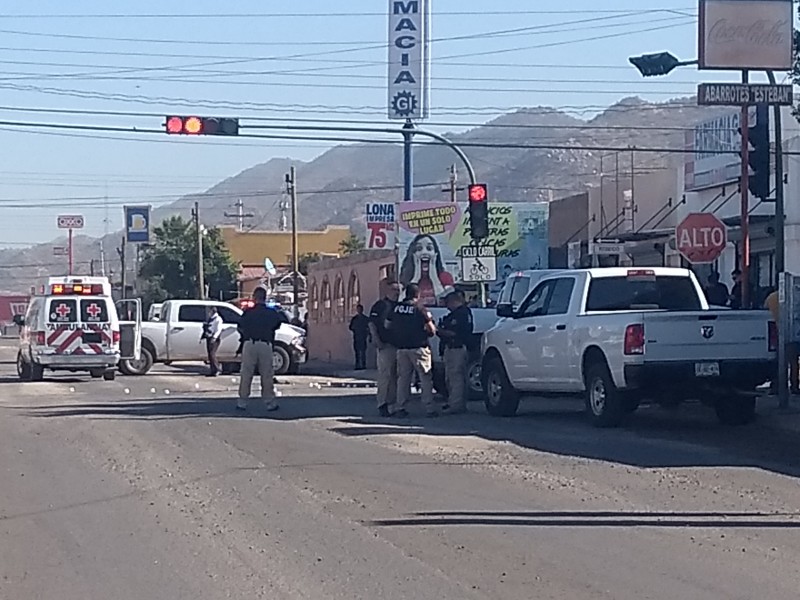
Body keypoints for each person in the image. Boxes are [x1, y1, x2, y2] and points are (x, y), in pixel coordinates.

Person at [386, 283, 438, 418]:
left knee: (403, 379)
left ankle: (400, 407)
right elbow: (431, 329)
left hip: (401, 348)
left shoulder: (396, 308)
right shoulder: (420, 309)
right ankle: (429, 408)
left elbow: (387, 325)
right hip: (419, 347)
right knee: (425, 378)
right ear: (417, 294)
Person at [236, 287, 283, 412]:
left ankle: (242, 402)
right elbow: (277, 325)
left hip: (249, 343)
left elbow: (239, 327)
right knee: (266, 374)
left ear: (254, 297)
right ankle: (269, 402)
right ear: (265, 297)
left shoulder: (248, 312)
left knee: (246, 373)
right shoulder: (271, 313)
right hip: (265, 344)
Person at [437, 290, 474, 414]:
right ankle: (452, 401)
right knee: (450, 378)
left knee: (456, 377)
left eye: (447, 302)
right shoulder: (453, 314)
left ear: (453, 301)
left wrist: (440, 331)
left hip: (457, 347)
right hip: (450, 348)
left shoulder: (462, 314)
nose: (446, 305)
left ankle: (456, 405)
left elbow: (457, 333)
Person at [369, 278, 401, 417]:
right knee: (385, 375)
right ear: (387, 290)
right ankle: (382, 403)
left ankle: (393, 404)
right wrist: (377, 341)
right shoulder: (380, 305)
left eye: (398, 290)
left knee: (396, 377)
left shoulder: (400, 306)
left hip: (399, 346)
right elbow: (372, 324)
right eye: (394, 290)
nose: (397, 293)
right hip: (385, 345)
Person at [399, 234, 456, 306]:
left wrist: (434, 278)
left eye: (429, 248)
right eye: (419, 249)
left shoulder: (446, 277)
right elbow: (400, 303)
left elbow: (445, 304)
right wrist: (415, 278)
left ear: (436, 254)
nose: (424, 253)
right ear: (412, 254)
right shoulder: (405, 277)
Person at [764, 289, 800, 394]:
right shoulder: (794, 298)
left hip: (774, 333)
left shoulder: (771, 297)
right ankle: (794, 386)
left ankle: (777, 385)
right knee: (793, 361)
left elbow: (764, 311)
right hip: (791, 332)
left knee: (778, 362)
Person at [201, 306, 223, 377]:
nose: (208, 313)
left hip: (214, 338)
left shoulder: (218, 319)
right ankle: (213, 370)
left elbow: (218, 329)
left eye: (209, 311)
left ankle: (217, 369)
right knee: (210, 355)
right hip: (209, 337)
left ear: (212, 311)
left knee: (212, 354)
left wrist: (214, 337)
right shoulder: (211, 319)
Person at [349, 304, 371, 370]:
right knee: (357, 352)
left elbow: (369, 328)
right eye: (358, 309)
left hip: (363, 337)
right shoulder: (355, 319)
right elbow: (350, 327)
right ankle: (357, 365)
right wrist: (354, 329)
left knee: (363, 352)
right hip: (356, 337)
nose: (359, 311)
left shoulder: (365, 319)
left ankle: (363, 365)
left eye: (360, 309)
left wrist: (369, 335)